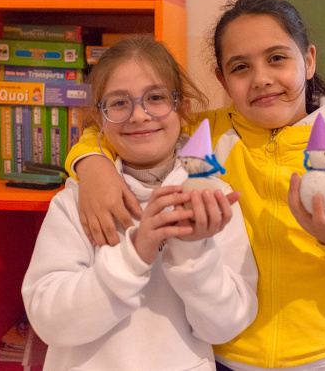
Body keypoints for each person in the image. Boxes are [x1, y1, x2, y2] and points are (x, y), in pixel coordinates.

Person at [65, 0, 325, 371]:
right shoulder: (204, 133)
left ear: (309, 60)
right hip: (222, 358)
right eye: (240, 67)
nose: (262, 78)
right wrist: (91, 164)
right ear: (222, 80)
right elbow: (127, 128)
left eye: (277, 58)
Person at [22, 35, 258, 371]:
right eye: (119, 103)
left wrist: (193, 252)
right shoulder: (75, 202)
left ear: (183, 107)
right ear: (100, 117)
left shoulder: (215, 200)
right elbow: (50, 321)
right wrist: (133, 255)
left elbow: (227, 324)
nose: (139, 116)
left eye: (156, 98)